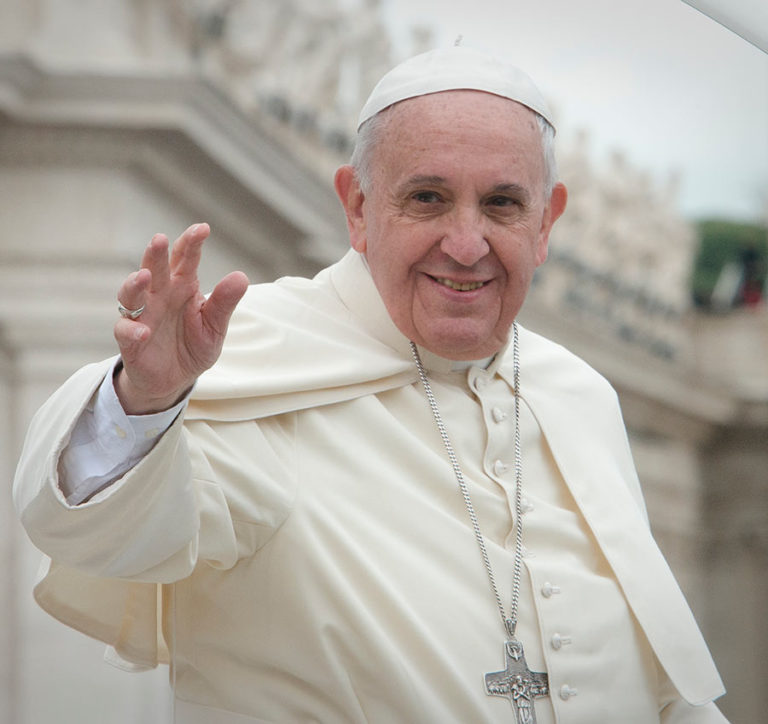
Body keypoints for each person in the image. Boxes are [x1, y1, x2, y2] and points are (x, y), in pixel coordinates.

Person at [13, 46, 727, 723]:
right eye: (427, 198)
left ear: (547, 222)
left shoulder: (579, 396)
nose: (467, 243)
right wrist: (145, 403)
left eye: (504, 204)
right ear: (357, 207)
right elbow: (97, 533)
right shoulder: (242, 358)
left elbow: (667, 686)